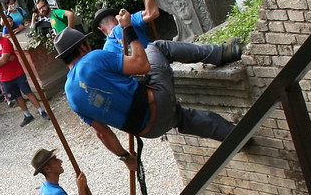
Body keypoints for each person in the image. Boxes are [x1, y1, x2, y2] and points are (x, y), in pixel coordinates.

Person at [53, 16, 244, 166]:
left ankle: (239, 137)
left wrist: (127, 158)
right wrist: (128, 29)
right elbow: (142, 65)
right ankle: (223, 52)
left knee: (184, 118)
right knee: (157, 47)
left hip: (149, 130)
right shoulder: (93, 58)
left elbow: (103, 133)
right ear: (83, 46)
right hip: (158, 101)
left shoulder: (70, 96)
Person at [0, 23, 48, 127]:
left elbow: (0, 61)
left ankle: (41, 110)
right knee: (17, 96)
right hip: (4, 77)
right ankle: (27, 114)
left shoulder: (5, 41)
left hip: (17, 72)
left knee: (28, 92)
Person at [93, 0, 160, 54]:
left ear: (100, 29)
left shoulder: (107, 49)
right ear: (116, 17)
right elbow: (152, 12)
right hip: (157, 58)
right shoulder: (129, 21)